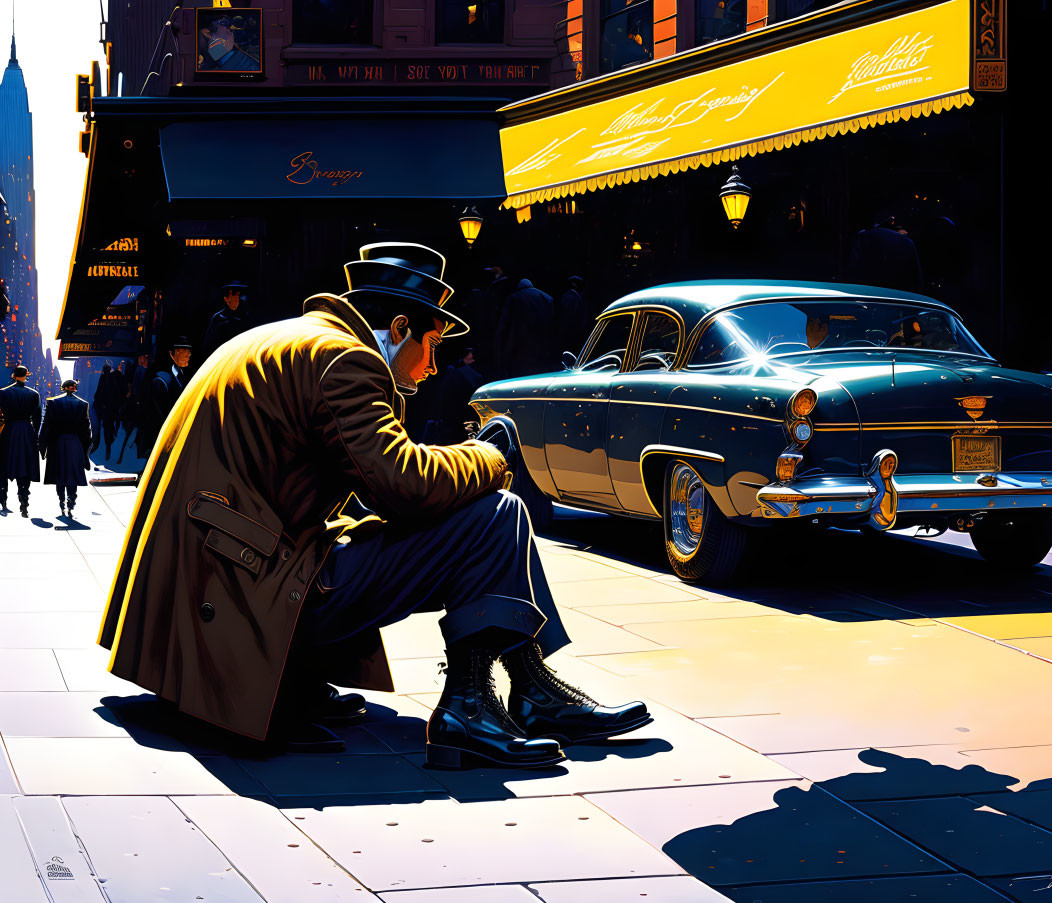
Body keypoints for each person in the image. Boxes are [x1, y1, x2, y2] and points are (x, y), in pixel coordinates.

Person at [98, 243, 650, 766]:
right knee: (497, 514)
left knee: (479, 517)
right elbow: (400, 483)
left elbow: (374, 479)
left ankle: (526, 688)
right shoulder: (346, 361)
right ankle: (477, 707)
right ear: (401, 328)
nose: (433, 366)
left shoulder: (292, 341)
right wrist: (485, 457)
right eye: (433, 345)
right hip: (242, 592)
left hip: (214, 585)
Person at [39, 379, 91, 518]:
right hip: (75, 442)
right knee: (73, 472)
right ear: (73, 388)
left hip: (58, 442)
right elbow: (86, 430)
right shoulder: (82, 404)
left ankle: (61, 500)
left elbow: (46, 426)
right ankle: (71, 500)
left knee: (59, 473)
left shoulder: (53, 402)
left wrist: (43, 446)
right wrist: (86, 451)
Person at [0, 364, 42, 517]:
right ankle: (24, 498)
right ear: (26, 376)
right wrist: (35, 434)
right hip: (26, 430)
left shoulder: (3, 393)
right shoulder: (34, 394)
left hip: (8, 430)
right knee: (25, 464)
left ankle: (3, 497)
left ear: (13, 375)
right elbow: (37, 418)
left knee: (3, 463)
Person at [847, 212, 924, 292]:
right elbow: (915, 275)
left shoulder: (863, 236)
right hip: (899, 294)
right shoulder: (907, 241)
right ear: (891, 221)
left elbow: (853, 266)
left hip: (867, 292)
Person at [495, 276, 555, 378]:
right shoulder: (547, 298)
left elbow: (504, 326)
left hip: (521, 348)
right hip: (543, 347)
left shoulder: (514, 298)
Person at [148, 337, 193, 446]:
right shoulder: (161, 380)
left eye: (189, 351)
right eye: (183, 351)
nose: (188, 355)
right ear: (171, 354)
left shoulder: (186, 376)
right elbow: (159, 414)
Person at [203, 282, 251, 359]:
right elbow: (208, 345)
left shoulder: (244, 318)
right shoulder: (217, 318)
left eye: (238, 295)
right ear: (226, 299)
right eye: (234, 295)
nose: (237, 298)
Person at [93, 363, 122, 458]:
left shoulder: (103, 378)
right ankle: (108, 451)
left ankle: (105, 451)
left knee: (103, 431)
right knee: (108, 432)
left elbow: (98, 394)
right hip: (110, 410)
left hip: (105, 410)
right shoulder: (112, 378)